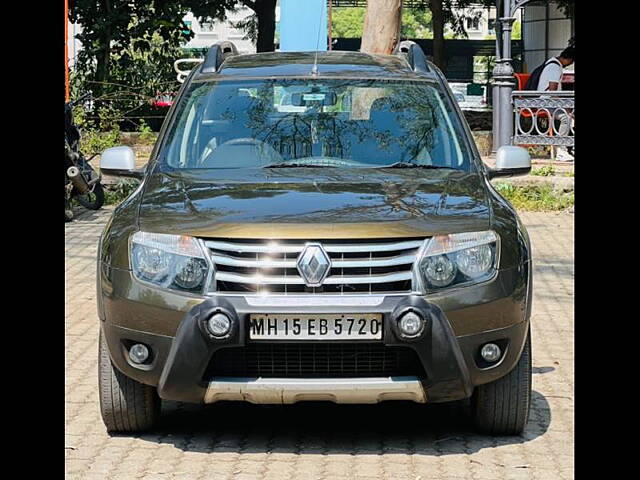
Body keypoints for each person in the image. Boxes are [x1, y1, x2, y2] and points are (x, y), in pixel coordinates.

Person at [537, 46, 575, 161]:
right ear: (569, 59)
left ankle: (569, 146)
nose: (570, 64)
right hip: (545, 103)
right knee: (566, 117)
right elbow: (553, 93)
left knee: (570, 113)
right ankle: (561, 150)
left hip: (547, 101)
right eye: (572, 61)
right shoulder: (555, 67)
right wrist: (566, 109)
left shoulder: (552, 63)